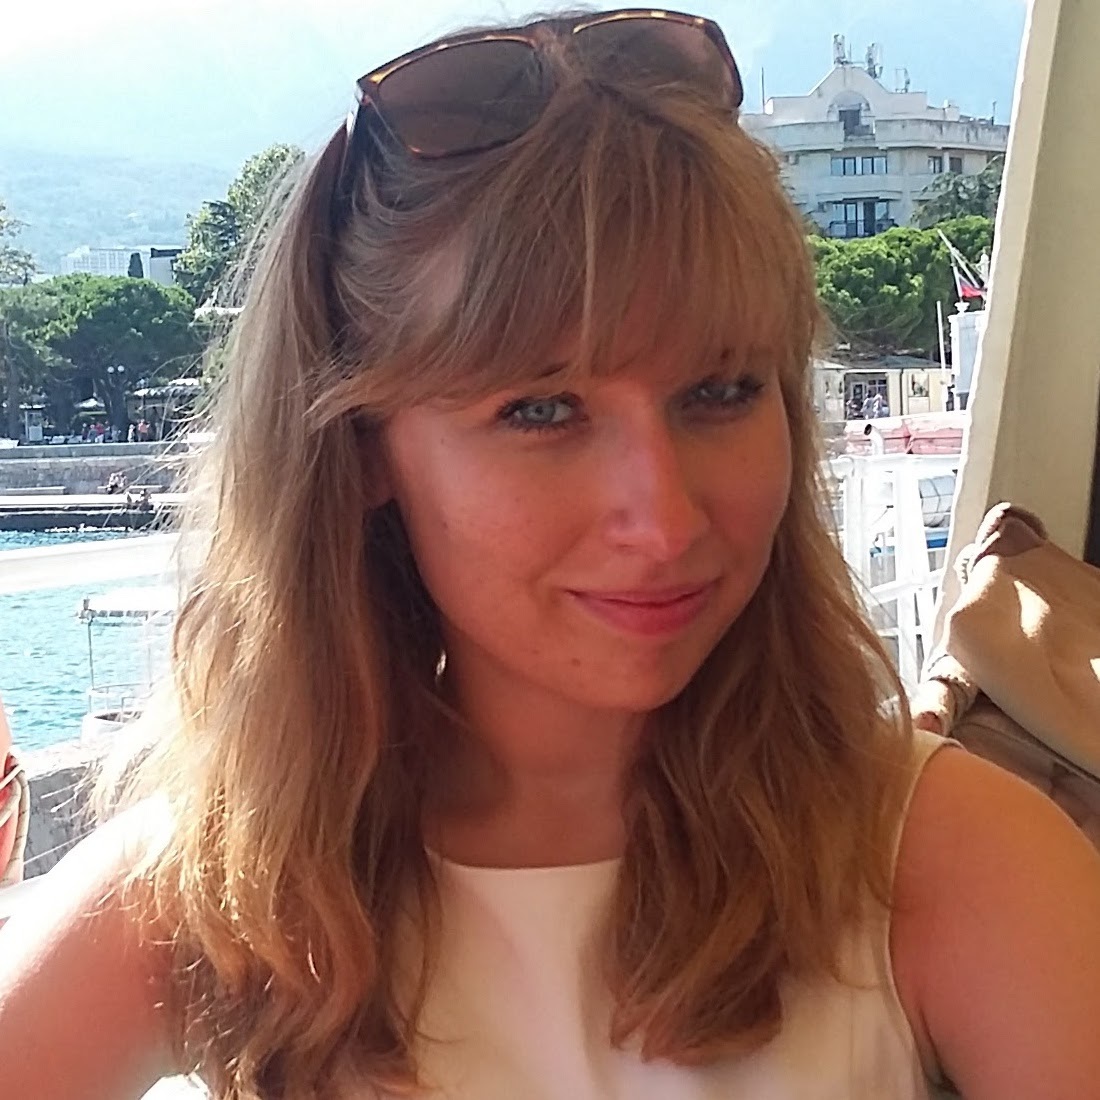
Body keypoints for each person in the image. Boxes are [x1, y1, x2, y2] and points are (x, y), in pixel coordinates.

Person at [1, 10, 1099, 1100]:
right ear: (363, 446)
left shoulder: (956, 860)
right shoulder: (217, 893)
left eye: (720, 391)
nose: (663, 520)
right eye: (540, 410)